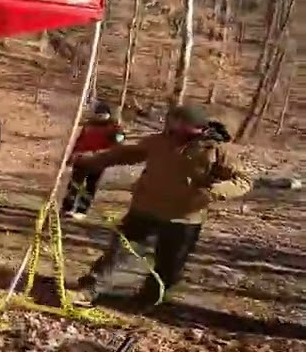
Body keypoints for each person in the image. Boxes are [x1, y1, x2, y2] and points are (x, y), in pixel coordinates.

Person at [69, 105, 250, 306]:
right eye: (171, 120)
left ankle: (149, 300)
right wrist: (89, 160)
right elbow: (124, 154)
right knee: (118, 253)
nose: (172, 125)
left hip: (184, 217)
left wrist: (211, 192)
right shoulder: (159, 141)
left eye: (178, 122)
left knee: (169, 266)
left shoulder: (216, 150)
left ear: (195, 126)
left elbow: (242, 181)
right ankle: (90, 289)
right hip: (145, 209)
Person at [61, 101, 125, 220]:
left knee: (90, 186)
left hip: (98, 161)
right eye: (98, 113)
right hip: (82, 159)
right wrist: (72, 156)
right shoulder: (89, 125)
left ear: (108, 115)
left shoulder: (113, 127)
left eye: (103, 114)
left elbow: (118, 143)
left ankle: (82, 210)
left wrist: (118, 134)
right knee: (74, 185)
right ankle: (67, 208)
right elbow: (80, 141)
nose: (100, 116)